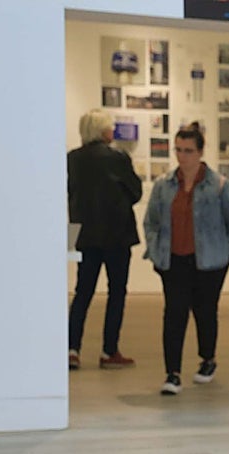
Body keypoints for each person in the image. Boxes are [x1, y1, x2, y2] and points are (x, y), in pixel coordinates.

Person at [142, 125, 229, 396]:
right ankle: (172, 373)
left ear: (200, 152)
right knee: (174, 314)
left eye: (188, 151)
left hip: (209, 262)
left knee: (205, 311)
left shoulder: (219, 186)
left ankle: (207, 359)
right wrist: (155, 249)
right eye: (178, 150)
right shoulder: (164, 186)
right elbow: (150, 221)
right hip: (173, 260)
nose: (182, 156)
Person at [67, 109, 143, 371]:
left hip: (82, 235)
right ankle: (109, 351)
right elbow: (135, 192)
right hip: (116, 235)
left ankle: (72, 348)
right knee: (116, 293)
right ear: (103, 131)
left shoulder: (72, 159)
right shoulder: (118, 158)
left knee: (82, 292)